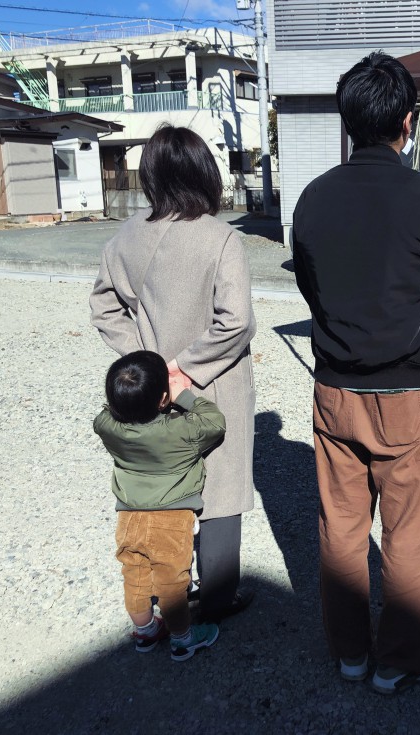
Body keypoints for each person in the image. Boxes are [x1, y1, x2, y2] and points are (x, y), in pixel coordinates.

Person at [292, 52, 420, 694]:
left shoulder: (313, 198)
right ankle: (400, 659)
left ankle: (349, 652)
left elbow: (312, 289)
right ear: (408, 121)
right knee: (412, 534)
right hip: (412, 389)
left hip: (335, 387)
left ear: (348, 124)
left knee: (341, 530)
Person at [90, 125, 257, 622]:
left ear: (151, 176)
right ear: (204, 172)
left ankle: (162, 587)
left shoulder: (124, 237)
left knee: (161, 482)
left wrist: (148, 364)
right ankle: (217, 599)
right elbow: (237, 321)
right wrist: (184, 368)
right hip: (213, 383)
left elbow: (104, 308)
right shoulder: (220, 237)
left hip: (150, 392)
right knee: (221, 488)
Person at [94, 350, 225, 661]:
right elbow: (214, 421)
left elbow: (105, 414)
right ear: (163, 399)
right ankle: (183, 638)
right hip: (171, 518)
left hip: (129, 517)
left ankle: (146, 631)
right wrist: (182, 395)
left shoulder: (106, 427)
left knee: (135, 577)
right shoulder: (180, 431)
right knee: (171, 582)